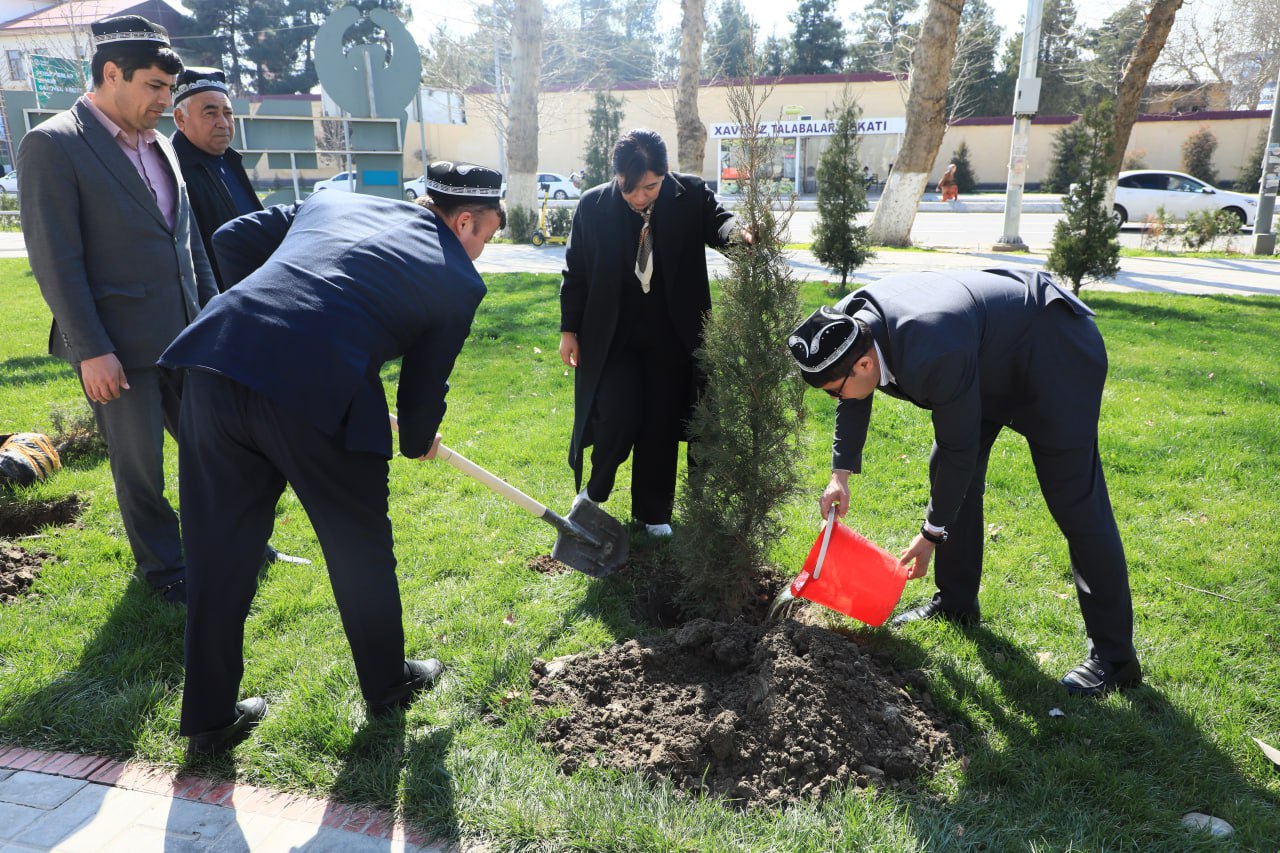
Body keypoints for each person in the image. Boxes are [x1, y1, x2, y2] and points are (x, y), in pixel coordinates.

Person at [158, 161, 505, 755]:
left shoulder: (334, 201)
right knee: (358, 544)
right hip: (314, 389)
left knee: (217, 550)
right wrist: (418, 438)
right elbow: (424, 389)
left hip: (219, 359)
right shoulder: (457, 278)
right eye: (488, 236)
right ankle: (387, 682)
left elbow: (232, 237)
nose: (482, 251)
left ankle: (209, 719)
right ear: (466, 220)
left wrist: (271, 324)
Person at [787, 268, 1141, 697]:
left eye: (832, 391)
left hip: (1055, 353)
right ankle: (955, 603)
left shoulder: (931, 350)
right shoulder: (847, 326)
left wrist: (931, 533)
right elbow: (853, 394)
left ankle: (1115, 660)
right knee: (946, 469)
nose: (835, 399)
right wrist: (838, 475)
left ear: (865, 363)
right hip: (987, 353)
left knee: (1075, 501)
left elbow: (960, 450)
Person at [18, 15, 217, 604]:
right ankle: (166, 570)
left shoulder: (161, 144)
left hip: (187, 335)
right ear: (111, 74)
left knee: (217, 451)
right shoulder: (53, 144)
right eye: (154, 86)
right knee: (141, 471)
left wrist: (215, 319)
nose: (164, 100)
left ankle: (235, 544)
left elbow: (188, 244)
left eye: (169, 89)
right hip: (118, 349)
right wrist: (92, 351)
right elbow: (56, 261)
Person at [559, 129, 743, 537]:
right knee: (617, 415)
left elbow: (721, 223)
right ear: (616, 175)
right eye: (630, 188)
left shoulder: (689, 195)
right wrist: (568, 329)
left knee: (661, 420)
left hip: (672, 337)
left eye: (651, 187)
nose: (640, 197)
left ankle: (652, 513)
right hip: (614, 338)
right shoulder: (593, 205)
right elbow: (576, 271)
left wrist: (741, 234)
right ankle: (594, 493)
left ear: (665, 174)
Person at [170, 67, 263, 292]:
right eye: (210, 113)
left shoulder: (229, 160)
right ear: (181, 119)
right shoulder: (174, 172)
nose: (223, 123)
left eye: (227, 113)